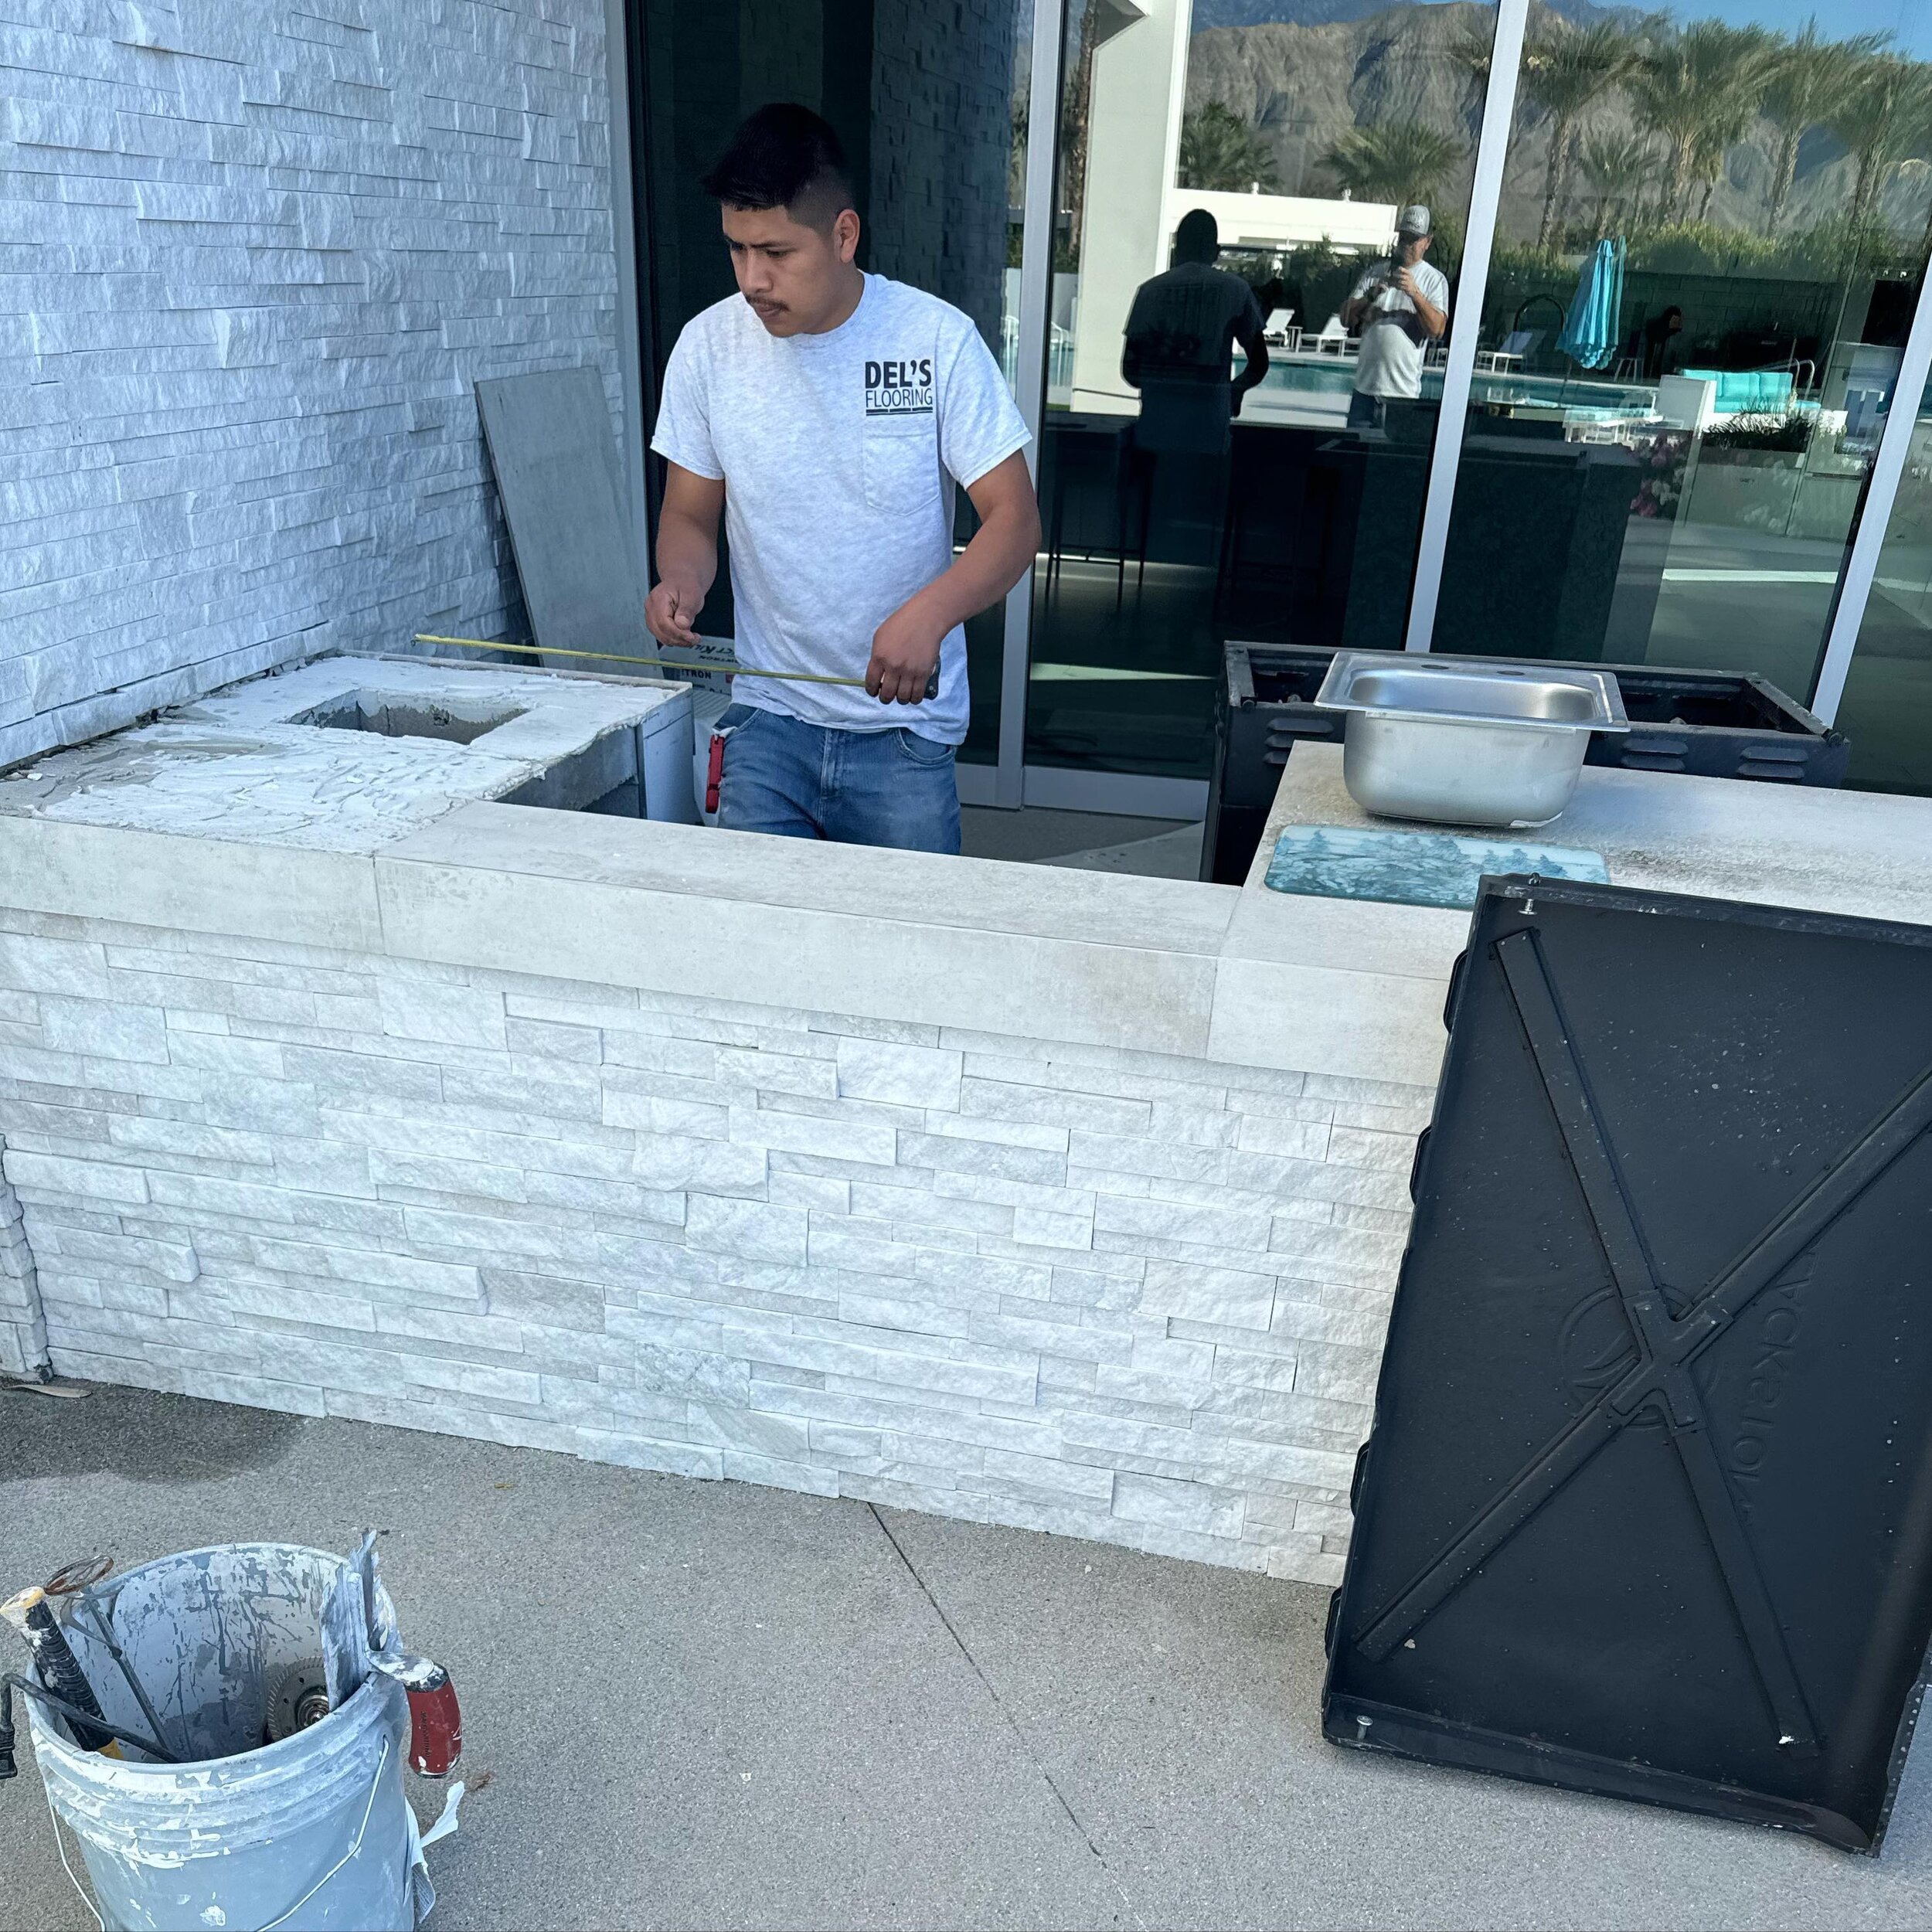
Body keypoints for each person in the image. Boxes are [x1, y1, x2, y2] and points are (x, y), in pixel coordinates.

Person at [647, 104, 1039, 853]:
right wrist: (682, 583)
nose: (752, 279)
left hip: (902, 735)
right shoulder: (707, 348)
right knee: (758, 954)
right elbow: (690, 515)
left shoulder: (934, 341)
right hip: (767, 724)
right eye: (736, 250)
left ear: (844, 235)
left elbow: (1014, 521)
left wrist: (929, 617)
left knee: (905, 957)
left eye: (775, 252)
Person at [1121, 209, 1269, 454]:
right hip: (1209, 431)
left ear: (1177, 250)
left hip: (1156, 430)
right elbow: (1259, 363)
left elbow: (1130, 371)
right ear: (1216, 251)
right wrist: (1234, 390)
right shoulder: (1236, 291)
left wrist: (1167, 376)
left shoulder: (1149, 292)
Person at [1342, 205, 1450, 430]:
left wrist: (1415, 294)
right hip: (1364, 392)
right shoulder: (1374, 273)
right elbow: (1346, 319)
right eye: (1404, 238)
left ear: (1427, 242)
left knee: (1393, 463)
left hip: (1402, 397)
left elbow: (1437, 330)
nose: (1407, 245)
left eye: (1414, 240)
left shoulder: (1434, 280)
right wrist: (1372, 295)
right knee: (1354, 459)